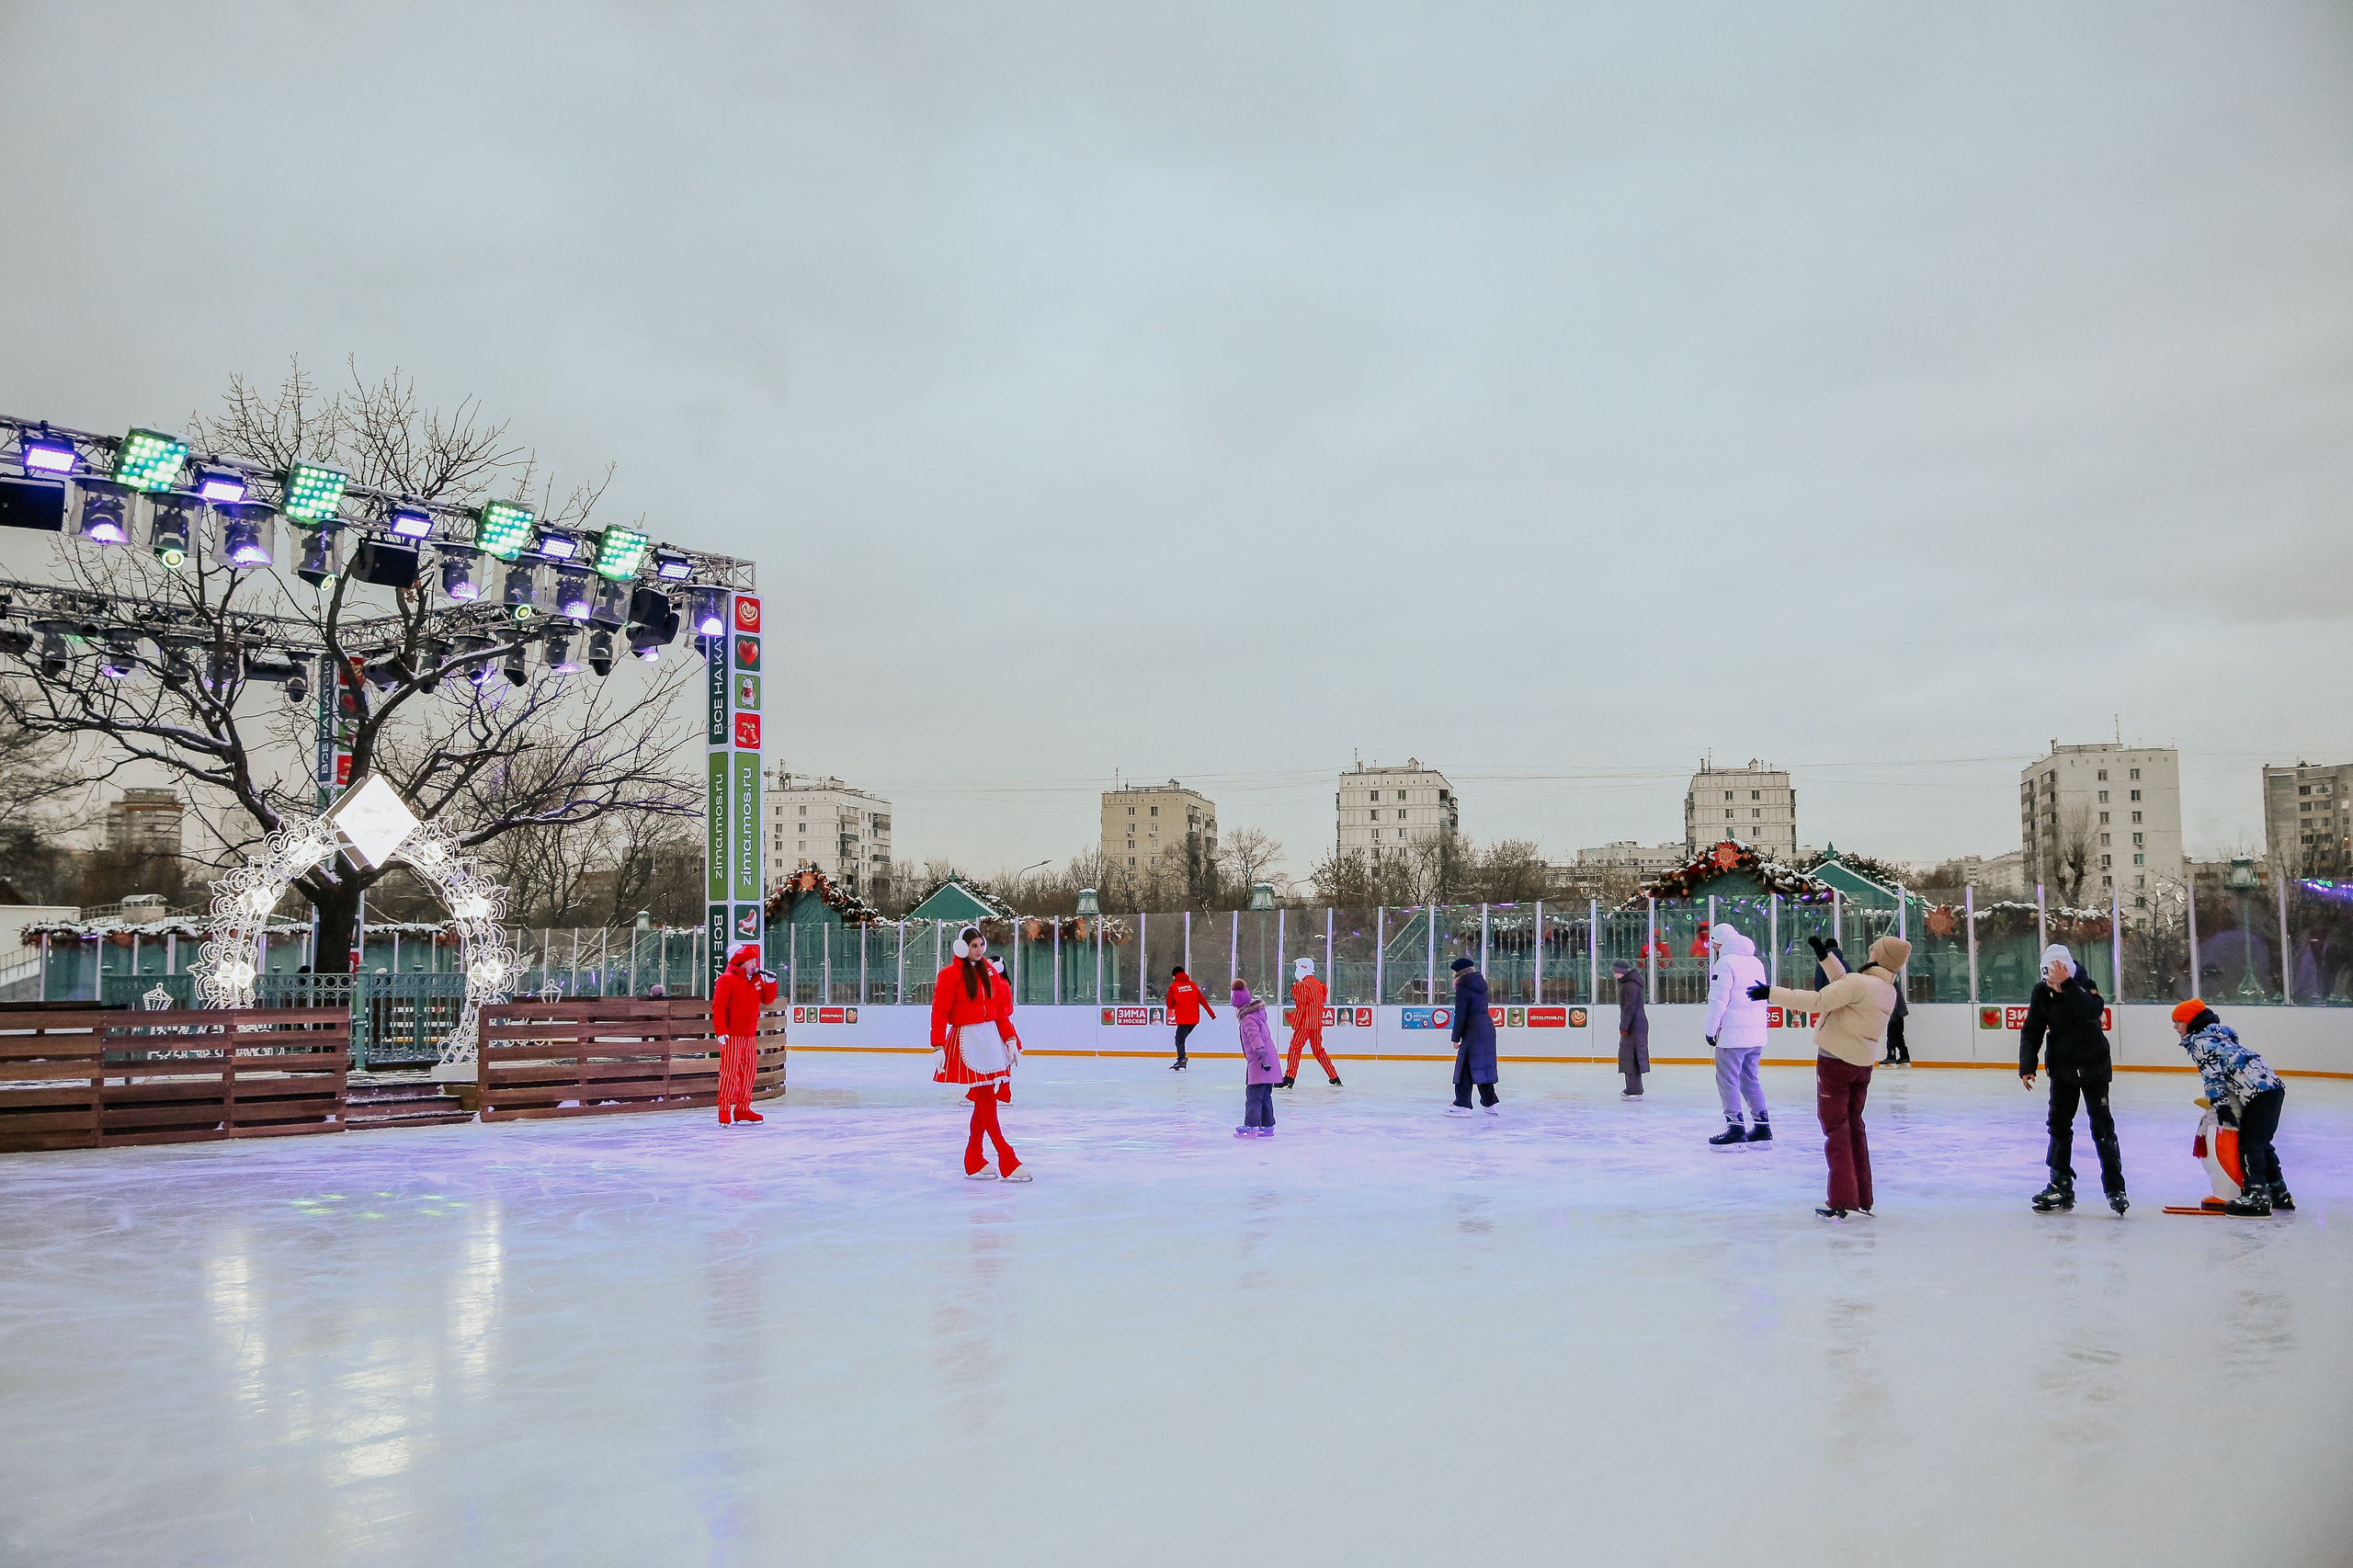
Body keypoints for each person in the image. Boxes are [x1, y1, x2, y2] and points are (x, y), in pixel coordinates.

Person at [1750, 933, 1907, 1220]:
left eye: (1873, 949)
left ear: (1880, 957)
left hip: (1836, 1063)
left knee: (1836, 1131)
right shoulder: (1886, 988)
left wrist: (1771, 992)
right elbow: (1843, 983)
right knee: (1855, 1128)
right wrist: (1825, 957)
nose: (1869, 951)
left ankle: (1842, 1198)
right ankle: (1862, 1196)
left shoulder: (1859, 983)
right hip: (1862, 1065)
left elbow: (1820, 1000)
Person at [2018, 943, 2127, 1215]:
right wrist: (2027, 1066)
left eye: (2057, 981)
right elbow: (2032, 1030)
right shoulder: (2041, 992)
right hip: (2062, 1068)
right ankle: (2061, 1183)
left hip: (2094, 1067)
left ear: (2067, 972)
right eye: (2049, 982)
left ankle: (2115, 1187)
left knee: (2102, 1127)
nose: (2053, 987)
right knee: (2058, 1126)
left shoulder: (2085, 985)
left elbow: (2091, 1011)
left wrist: (2067, 985)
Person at [2172, 999, 2291, 1215]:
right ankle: (2278, 1192)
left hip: (2258, 1092)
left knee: (2251, 1143)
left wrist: (2221, 1106)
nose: (2175, 1027)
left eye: (2178, 1021)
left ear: (2191, 1021)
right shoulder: (2218, 1036)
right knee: (2261, 1142)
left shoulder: (2201, 1042)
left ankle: (2256, 1195)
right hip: (2271, 1088)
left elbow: (2213, 1077)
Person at [929, 924, 1029, 1181]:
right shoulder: (950, 975)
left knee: (984, 1101)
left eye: (981, 945)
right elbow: (940, 1011)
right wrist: (938, 1045)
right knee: (986, 1099)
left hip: (990, 1039)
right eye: (974, 945)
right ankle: (1007, 1157)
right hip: (968, 1040)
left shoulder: (990, 972)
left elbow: (1000, 1011)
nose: (979, 949)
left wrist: (1010, 1039)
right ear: (962, 947)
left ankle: (973, 1157)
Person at [1703, 920, 1771, 1147]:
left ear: (1720, 942)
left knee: (1727, 1079)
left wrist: (1710, 1031)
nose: (1713, 948)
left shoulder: (1725, 964)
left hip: (1733, 1036)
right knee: (1750, 1078)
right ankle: (1762, 1127)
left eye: (1714, 943)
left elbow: (1718, 1001)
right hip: (1756, 1034)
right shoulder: (1756, 962)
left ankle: (1735, 1127)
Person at [710, 942, 779, 1125]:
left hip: (749, 1034)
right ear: (742, 962)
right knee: (730, 1072)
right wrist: (721, 1031)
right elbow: (718, 1007)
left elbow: (767, 999)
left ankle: (742, 1108)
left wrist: (771, 983)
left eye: (756, 961)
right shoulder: (727, 979)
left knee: (749, 1071)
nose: (755, 964)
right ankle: (724, 1108)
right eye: (752, 961)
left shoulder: (756, 980)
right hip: (731, 1035)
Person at [1446, 956, 1499, 1116]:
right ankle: (1489, 1103)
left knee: (1465, 1067)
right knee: (1483, 1065)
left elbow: (1461, 1013)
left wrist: (1456, 1037)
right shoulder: (1480, 983)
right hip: (1487, 1027)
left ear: (1458, 973)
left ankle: (1462, 1104)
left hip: (1473, 1029)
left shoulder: (1464, 985)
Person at [1281, 957, 1341, 1087]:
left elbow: (1301, 1008)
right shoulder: (1319, 985)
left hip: (1305, 1024)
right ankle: (1334, 1076)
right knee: (1318, 1049)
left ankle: (1289, 1077)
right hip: (1316, 1024)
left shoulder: (1302, 986)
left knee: (1295, 1048)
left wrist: (1294, 1026)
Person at [1233, 979, 1280, 1137]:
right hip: (1268, 1059)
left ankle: (1252, 1126)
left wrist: (1260, 1050)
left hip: (1260, 1060)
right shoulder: (1257, 1014)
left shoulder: (1247, 1018)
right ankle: (1267, 1126)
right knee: (1265, 1095)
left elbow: (1254, 1036)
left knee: (1253, 1095)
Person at [1165, 964, 1215, 1071]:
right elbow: (1203, 1000)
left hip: (1183, 1019)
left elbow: (1169, 1005)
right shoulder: (1192, 985)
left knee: (1179, 1040)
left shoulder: (1173, 987)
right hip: (1194, 1019)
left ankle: (1182, 1059)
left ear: (1174, 976)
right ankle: (1182, 1058)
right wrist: (1212, 1014)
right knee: (1181, 1039)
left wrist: (1176, 1004)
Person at [1613, 959, 1649, 1099]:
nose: (1614, 975)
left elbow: (1630, 1007)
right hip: (1635, 1024)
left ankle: (1634, 1090)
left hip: (1634, 1025)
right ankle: (1634, 1088)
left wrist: (1624, 1025)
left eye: (1615, 972)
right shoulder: (1629, 983)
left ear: (1621, 971)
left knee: (1632, 1056)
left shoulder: (1630, 985)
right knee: (1630, 1056)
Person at [1879, 981, 1910, 1066]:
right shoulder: (1891, 982)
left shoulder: (1889, 983)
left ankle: (1891, 1056)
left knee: (1892, 1034)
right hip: (1899, 1011)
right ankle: (1904, 1056)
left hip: (1895, 1012)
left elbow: (1891, 998)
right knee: (1898, 1035)